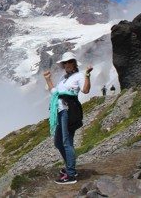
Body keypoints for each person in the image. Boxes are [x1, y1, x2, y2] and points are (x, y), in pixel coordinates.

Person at [43, 51, 93, 185]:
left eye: (69, 62)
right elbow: (55, 92)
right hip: (60, 110)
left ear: (74, 63)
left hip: (68, 110)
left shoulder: (79, 75)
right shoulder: (63, 78)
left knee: (66, 142)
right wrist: (48, 79)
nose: (66, 65)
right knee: (58, 142)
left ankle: (71, 175)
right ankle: (70, 168)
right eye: (64, 63)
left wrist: (87, 75)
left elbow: (85, 90)